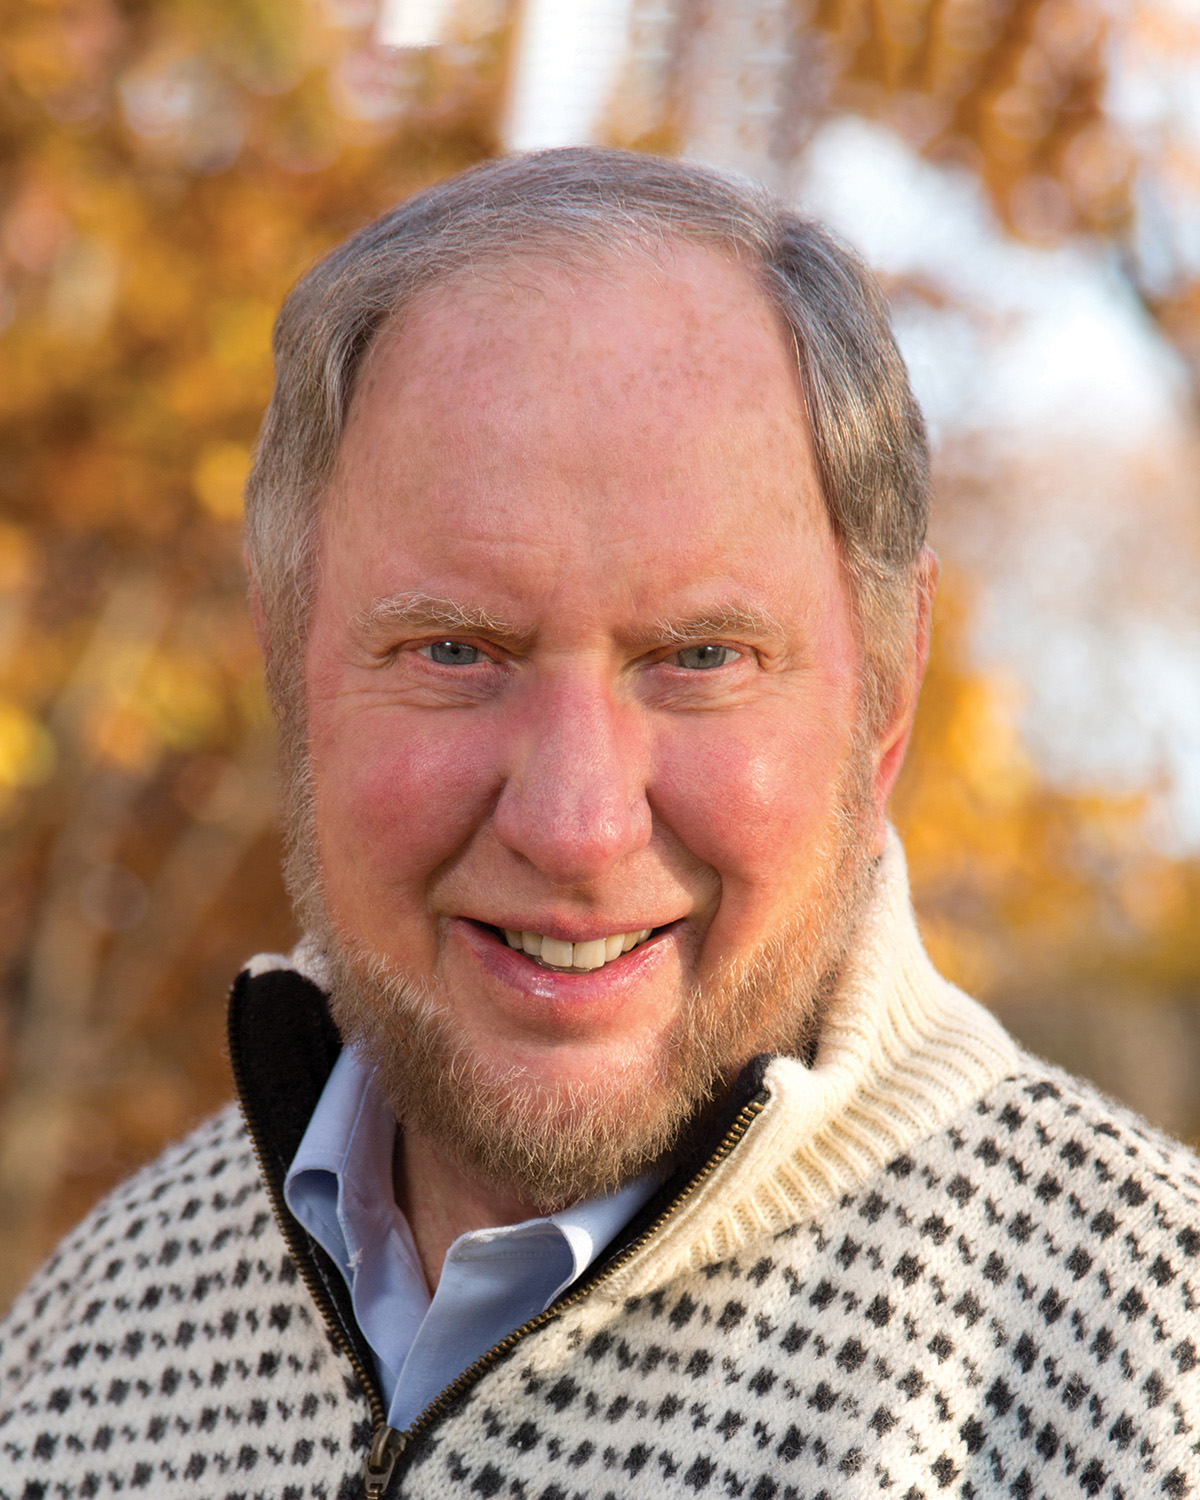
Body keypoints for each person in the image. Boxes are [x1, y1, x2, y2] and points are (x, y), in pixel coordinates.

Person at [1, 147, 1197, 1500]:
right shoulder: (84, 1345)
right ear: (290, 666)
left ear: (889, 693)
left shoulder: (1142, 1385)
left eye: (698, 656)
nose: (573, 825)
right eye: (455, 650)